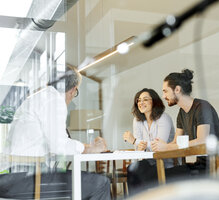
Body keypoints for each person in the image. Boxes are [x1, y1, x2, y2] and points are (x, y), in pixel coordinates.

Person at [0, 66, 110, 200]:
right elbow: (59, 146)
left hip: (11, 177)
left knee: (80, 182)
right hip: (24, 178)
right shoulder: (53, 100)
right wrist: (90, 148)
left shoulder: (38, 97)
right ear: (73, 90)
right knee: (100, 183)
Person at [123, 88, 175, 194]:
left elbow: (159, 147)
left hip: (164, 163)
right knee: (132, 169)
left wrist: (134, 141)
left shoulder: (164, 118)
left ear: (154, 101)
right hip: (148, 163)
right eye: (139, 100)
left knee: (137, 171)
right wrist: (138, 146)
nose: (141, 103)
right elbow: (138, 149)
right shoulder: (137, 120)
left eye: (145, 99)